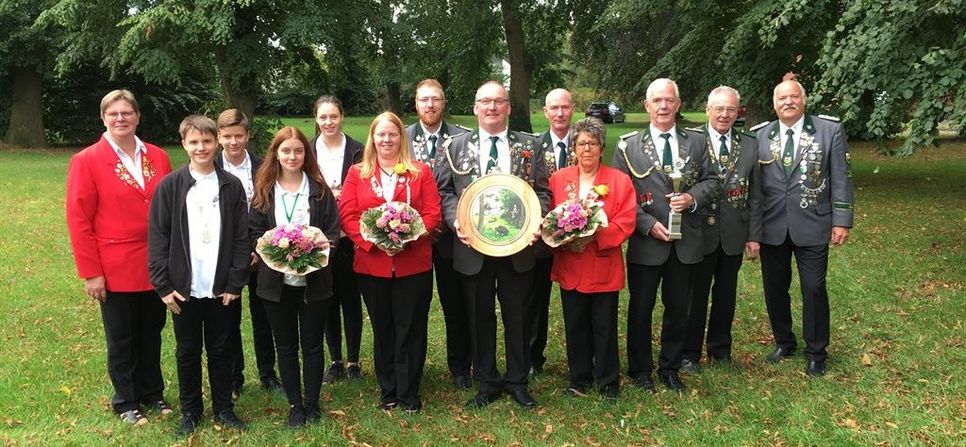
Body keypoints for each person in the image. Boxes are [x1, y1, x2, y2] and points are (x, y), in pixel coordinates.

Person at [435, 81, 551, 409]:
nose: (492, 107)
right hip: (472, 245)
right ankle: (486, 381)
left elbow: (542, 191)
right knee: (478, 314)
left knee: (518, 315)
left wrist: (535, 222)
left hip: (517, 247)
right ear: (475, 108)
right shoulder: (454, 146)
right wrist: (454, 219)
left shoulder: (530, 145)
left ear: (508, 108)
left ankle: (517, 380)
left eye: (498, 101)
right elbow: (444, 191)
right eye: (484, 101)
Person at [65, 89, 173, 425]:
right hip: (114, 266)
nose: (121, 119)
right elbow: (78, 219)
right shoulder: (86, 161)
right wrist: (91, 272)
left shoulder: (156, 155)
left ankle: (153, 393)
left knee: (152, 331)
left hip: (155, 262)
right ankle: (126, 401)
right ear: (103, 119)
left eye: (127, 113)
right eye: (114, 114)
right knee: (122, 337)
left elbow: (168, 209)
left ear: (138, 116)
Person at [611, 78, 718, 392]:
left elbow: (712, 180)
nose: (663, 106)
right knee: (641, 308)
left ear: (678, 103)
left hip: (686, 242)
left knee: (678, 308)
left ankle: (670, 368)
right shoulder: (628, 146)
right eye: (656, 100)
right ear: (647, 106)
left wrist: (692, 198)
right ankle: (640, 369)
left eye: (669, 100)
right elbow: (621, 196)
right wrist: (645, 224)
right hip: (647, 241)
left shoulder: (697, 142)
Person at [148, 115, 250, 437]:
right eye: (194, 142)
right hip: (184, 290)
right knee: (187, 351)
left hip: (221, 288)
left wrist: (235, 282)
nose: (201, 147)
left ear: (216, 142)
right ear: (184, 144)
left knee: (222, 350)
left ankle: (224, 407)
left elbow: (241, 239)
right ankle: (190, 411)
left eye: (206, 141)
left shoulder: (231, 186)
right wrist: (163, 285)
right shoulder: (170, 186)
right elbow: (158, 238)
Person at [340, 112, 442, 412]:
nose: (386, 139)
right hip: (373, 265)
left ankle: (409, 391)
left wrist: (407, 238)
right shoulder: (357, 173)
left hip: (413, 263)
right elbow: (347, 215)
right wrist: (375, 242)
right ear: (372, 137)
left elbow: (433, 213)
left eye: (392, 134)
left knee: (410, 326)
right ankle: (389, 390)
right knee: (383, 327)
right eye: (380, 134)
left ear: (402, 137)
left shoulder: (419, 172)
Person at [752, 79, 854, 377]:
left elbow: (841, 177)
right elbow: (756, 188)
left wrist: (842, 219)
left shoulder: (828, 130)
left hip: (813, 223)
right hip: (772, 226)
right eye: (782, 98)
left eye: (794, 97)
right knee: (775, 289)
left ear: (803, 100)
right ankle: (785, 342)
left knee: (813, 288)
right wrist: (753, 230)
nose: (788, 102)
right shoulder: (760, 135)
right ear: (774, 104)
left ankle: (816, 352)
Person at [250, 127, 341, 427]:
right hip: (275, 286)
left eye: (298, 151)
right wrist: (272, 250)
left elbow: (332, 230)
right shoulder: (264, 190)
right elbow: (253, 233)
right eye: (286, 151)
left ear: (306, 154)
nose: (292, 156)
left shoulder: (318, 189)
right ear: (276, 153)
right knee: (286, 345)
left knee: (313, 344)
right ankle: (295, 406)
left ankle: (312, 404)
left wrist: (319, 249)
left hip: (315, 282)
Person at [548, 118, 635, 399]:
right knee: (575, 325)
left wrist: (594, 237)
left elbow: (626, 220)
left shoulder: (618, 181)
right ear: (573, 147)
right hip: (571, 264)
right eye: (581, 143)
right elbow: (549, 217)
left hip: (602, 264)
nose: (587, 149)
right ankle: (579, 379)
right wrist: (563, 237)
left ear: (601, 148)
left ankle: (608, 382)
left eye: (593, 143)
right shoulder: (559, 179)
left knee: (604, 326)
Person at [681, 86, 762, 373]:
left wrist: (753, 235)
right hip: (698, 231)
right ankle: (689, 353)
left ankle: (720, 349)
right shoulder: (690, 140)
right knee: (696, 294)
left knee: (726, 294)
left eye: (730, 109)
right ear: (708, 110)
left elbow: (755, 194)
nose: (724, 114)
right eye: (719, 108)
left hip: (733, 233)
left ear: (737, 111)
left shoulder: (750, 144)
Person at [404, 79, 473, 390]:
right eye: (423, 100)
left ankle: (460, 366)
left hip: (448, 236)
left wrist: (441, 223)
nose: (429, 105)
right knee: (412, 306)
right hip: (408, 238)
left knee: (455, 303)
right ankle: (410, 364)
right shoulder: (402, 137)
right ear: (416, 104)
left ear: (444, 103)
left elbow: (464, 186)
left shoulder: (461, 138)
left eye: (435, 99)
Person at [215, 109, 283, 398]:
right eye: (227, 137)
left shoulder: (263, 167)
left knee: (264, 315)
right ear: (219, 137)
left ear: (247, 135)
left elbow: (271, 209)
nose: (233, 142)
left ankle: (268, 373)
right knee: (227, 317)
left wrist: (257, 248)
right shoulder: (210, 167)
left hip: (259, 252)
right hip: (223, 254)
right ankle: (234, 376)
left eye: (238, 136)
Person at [312, 96, 366, 384]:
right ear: (316, 119)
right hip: (319, 238)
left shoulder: (358, 151)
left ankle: (354, 360)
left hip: (350, 237)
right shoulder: (308, 151)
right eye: (323, 117)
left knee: (351, 299)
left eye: (333, 116)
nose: (328, 122)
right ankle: (334, 360)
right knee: (327, 299)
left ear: (341, 116)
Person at [527, 88, 576, 377]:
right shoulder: (532, 147)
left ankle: (580, 356)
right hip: (541, 236)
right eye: (554, 108)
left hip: (578, 237)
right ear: (545, 112)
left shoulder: (585, 144)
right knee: (535, 299)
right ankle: (533, 357)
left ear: (573, 110)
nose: (560, 113)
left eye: (565, 107)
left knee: (578, 297)